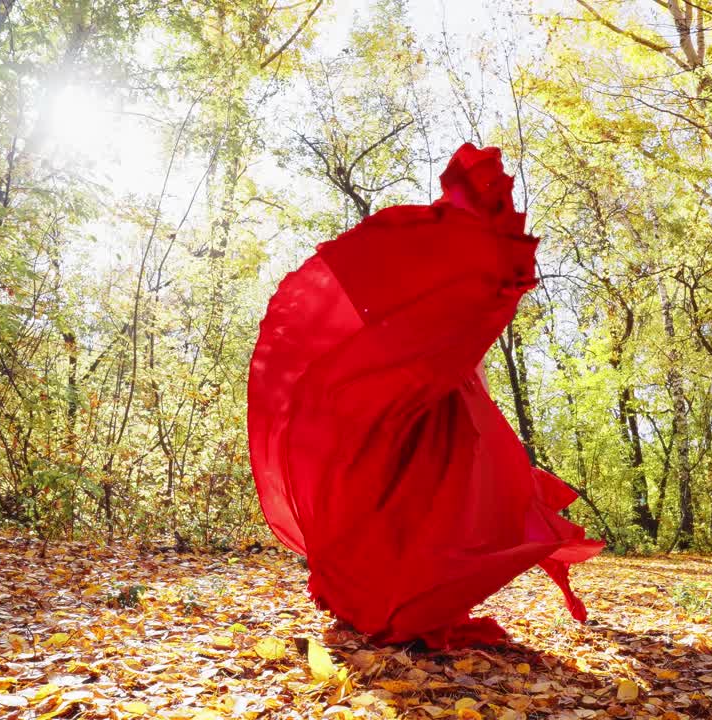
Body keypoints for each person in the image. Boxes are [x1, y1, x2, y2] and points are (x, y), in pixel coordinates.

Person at [247, 143, 603, 648]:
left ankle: (396, 597)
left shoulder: (444, 349)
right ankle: (378, 596)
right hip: (419, 403)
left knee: (432, 495)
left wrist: (491, 255)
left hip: (441, 410)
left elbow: (470, 308)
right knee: (395, 490)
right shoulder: (402, 353)